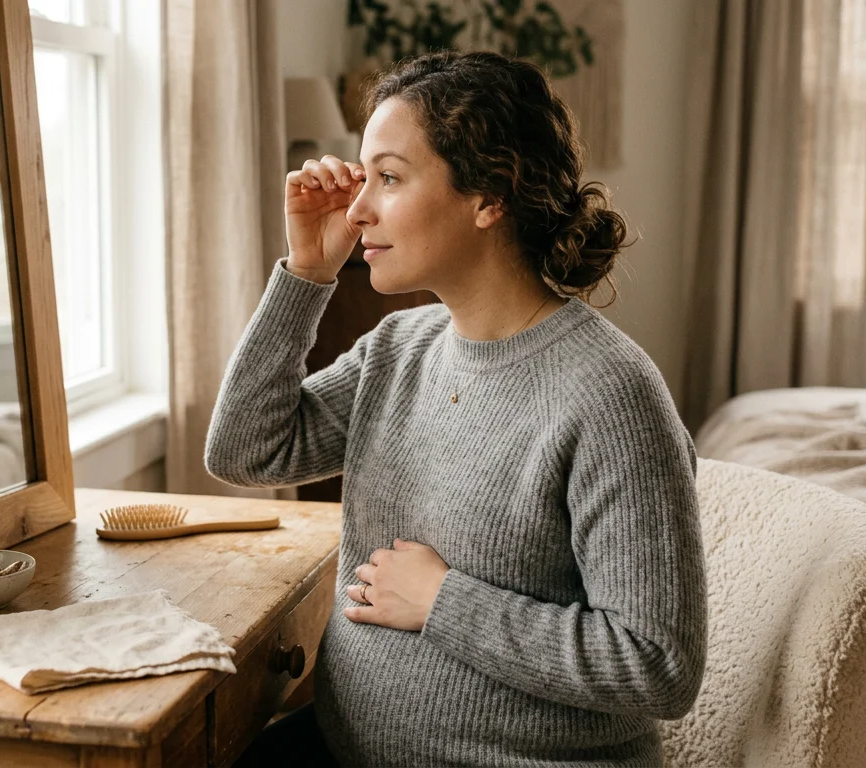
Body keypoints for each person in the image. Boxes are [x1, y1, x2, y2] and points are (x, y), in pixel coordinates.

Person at [208, 52, 706, 766]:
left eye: (389, 178)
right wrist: (308, 275)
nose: (356, 210)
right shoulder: (399, 349)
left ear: (489, 196)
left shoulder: (610, 396)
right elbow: (244, 452)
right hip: (347, 746)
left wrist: (445, 603)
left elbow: (659, 666)